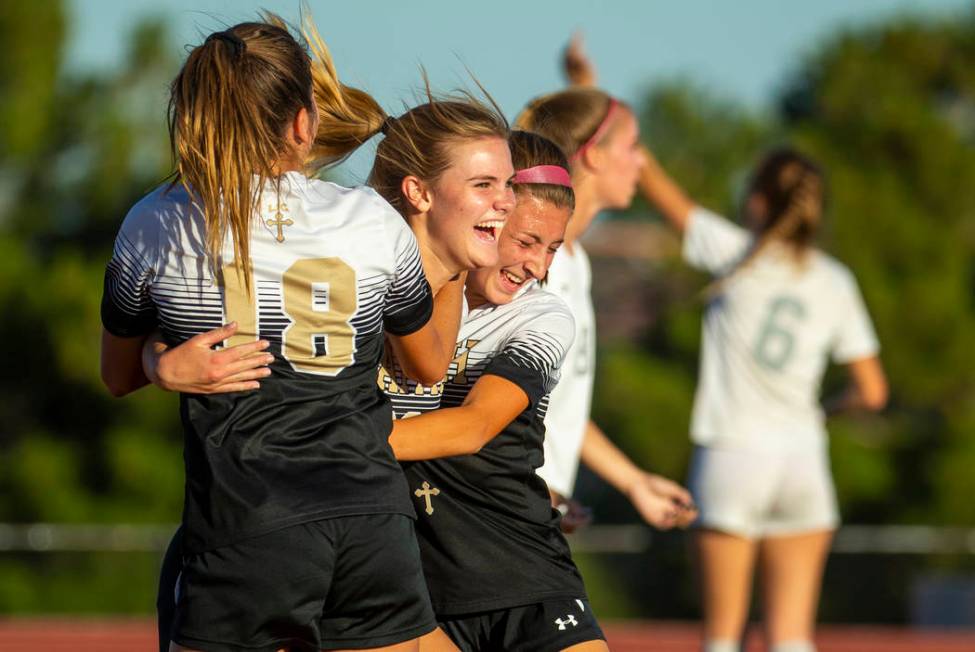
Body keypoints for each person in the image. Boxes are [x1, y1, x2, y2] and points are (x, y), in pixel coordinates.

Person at [100, 15, 480, 652]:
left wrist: (160, 361)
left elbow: (116, 377)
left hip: (250, 522)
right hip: (371, 519)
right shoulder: (370, 219)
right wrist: (454, 269)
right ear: (304, 122)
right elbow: (426, 366)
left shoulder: (156, 222)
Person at [386, 130, 606, 652]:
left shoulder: (542, 315)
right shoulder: (395, 291)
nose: (539, 267)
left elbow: (474, 426)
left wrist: (325, 442)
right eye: (527, 242)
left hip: (527, 578)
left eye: (552, 249)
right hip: (419, 592)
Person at [516, 56, 695, 532]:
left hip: (535, 505)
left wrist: (633, 481)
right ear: (594, 156)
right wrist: (531, 488)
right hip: (507, 507)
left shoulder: (575, 261)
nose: (641, 160)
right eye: (633, 146)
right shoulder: (531, 260)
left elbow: (560, 403)